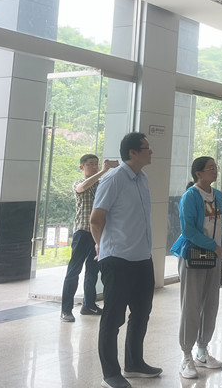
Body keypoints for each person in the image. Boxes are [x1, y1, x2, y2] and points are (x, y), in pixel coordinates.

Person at [90, 132, 162, 388]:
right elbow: (96, 219)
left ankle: (134, 363)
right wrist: (101, 246)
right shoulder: (113, 179)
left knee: (141, 314)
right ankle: (110, 373)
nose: (150, 151)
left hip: (142, 258)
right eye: (146, 148)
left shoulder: (142, 178)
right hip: (117, 259)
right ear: (132, 152)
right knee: (113, 319)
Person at [171, 156, 222, 379]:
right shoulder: (190, 196)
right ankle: (186, 355)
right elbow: (188, 230)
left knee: (211, 304)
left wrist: (220, 250)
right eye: (210, 168)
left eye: (215, 167)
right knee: (191, 305)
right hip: (194, 256)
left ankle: (202, 350)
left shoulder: (218, 195)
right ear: (198, 173)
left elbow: (220, 226)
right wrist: (213, 246)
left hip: (214, 258)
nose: (215, 170)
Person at [60, 154, 118, 322]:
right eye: (90, 164)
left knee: (92, 271)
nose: (94, 166)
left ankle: (89, 305)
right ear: (82, 167)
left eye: (96, 164)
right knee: (74, 271)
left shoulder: (100, 185)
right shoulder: (79, 183)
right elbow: (83, 187)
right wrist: (103, 171)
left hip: (97, 233)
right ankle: (66, 310)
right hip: (82, 232)